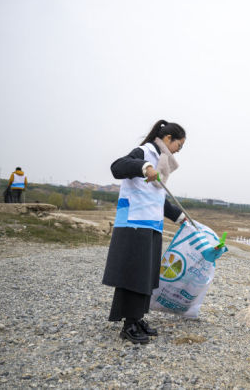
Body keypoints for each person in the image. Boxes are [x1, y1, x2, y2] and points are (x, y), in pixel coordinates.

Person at [102, 120, 187, 344]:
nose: (179, 150)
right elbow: (117, 167)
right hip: (134, 222)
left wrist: (180, 217)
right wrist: (143, 167)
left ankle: (137, 318)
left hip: (151, 224)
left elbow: (159, 197)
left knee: (146, 275)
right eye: (180, 144)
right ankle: (128, 324)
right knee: (134, 274)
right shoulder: (145, 152)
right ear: (168, 139)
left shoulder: (161, 161)